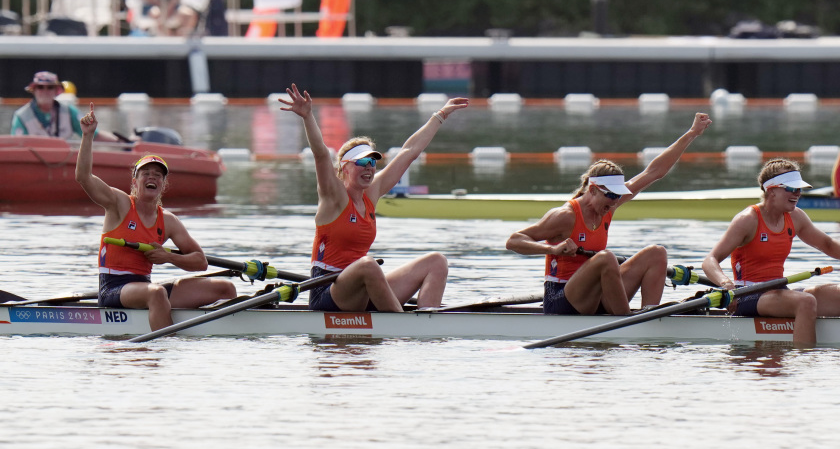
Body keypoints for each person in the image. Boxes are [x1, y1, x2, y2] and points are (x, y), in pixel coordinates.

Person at [279, 84, 468, 312]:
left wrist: (441, 115)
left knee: (436, 261)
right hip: (328, 292)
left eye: (372, 162)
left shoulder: (372, 192)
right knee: (368, 265)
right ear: (345, 168)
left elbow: (409, 153)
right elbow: (320, 154)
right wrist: (308, 117)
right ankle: (400, 325)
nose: (369, 168)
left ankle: (427, 323)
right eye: (362, 162)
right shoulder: (333, 196)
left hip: (362, 288)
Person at [506, 113, 713, 316]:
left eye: (618, 195)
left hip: (596, 295)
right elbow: (514, 241)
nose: (615, 201)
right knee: (606, 258)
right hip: (561, 299)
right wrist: (553, 249)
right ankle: (628, 321)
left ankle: (649, 315)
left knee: (656, 253)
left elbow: (654, 172)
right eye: (611, 195)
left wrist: (692, 133)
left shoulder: (608, 205)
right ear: (593, 190)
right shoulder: (564, 215)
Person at [75, 103, 236, 331]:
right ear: (135, 182)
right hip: (113, 289)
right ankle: (163, 350)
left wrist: (168, 257)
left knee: (226, 289)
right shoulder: (119, 204)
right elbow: (83, 177)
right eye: (146, 174)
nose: (152, 177)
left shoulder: (168, 221)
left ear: (162, 185)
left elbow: (200, 261)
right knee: (157, 293)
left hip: (145, 287)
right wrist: (88, 136)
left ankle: (210, 333)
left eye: (158, 175)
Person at [702, 158, 840, 347]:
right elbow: (710, 260)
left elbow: (827, 244)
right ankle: (803, 361)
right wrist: (726, 284)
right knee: (805, 302)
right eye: (791, 188)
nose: (797, 194)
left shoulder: (795, 216)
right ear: (771, 191)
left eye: (799, 189)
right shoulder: (748, 219)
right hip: (747, 295)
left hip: (780, 292)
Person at [11, 71, 116, 142]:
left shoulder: (69, 111)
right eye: (40, 87)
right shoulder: (21, 116)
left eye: (50, 87)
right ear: (34, 90)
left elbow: (94, 134)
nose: (45, 91)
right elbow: (17, 145)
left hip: (64, 162)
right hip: (33, 164)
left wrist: (120, 141)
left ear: (56, 91)